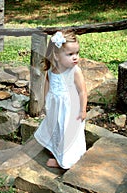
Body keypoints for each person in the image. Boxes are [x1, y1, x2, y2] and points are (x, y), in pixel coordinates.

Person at [34, 31, 87, 170]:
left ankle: (65, 160)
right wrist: (46, 101)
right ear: (56, 56)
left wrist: (82, 110)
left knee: (66, 133)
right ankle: (55, 150)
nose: (75, 57)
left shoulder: (75, 71)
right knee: (55, 128)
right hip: (56, 107)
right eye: (70, 54)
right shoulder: (52, 69)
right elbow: (48, 82)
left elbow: (82, 91)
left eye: (77, 53)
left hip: (70, 111)